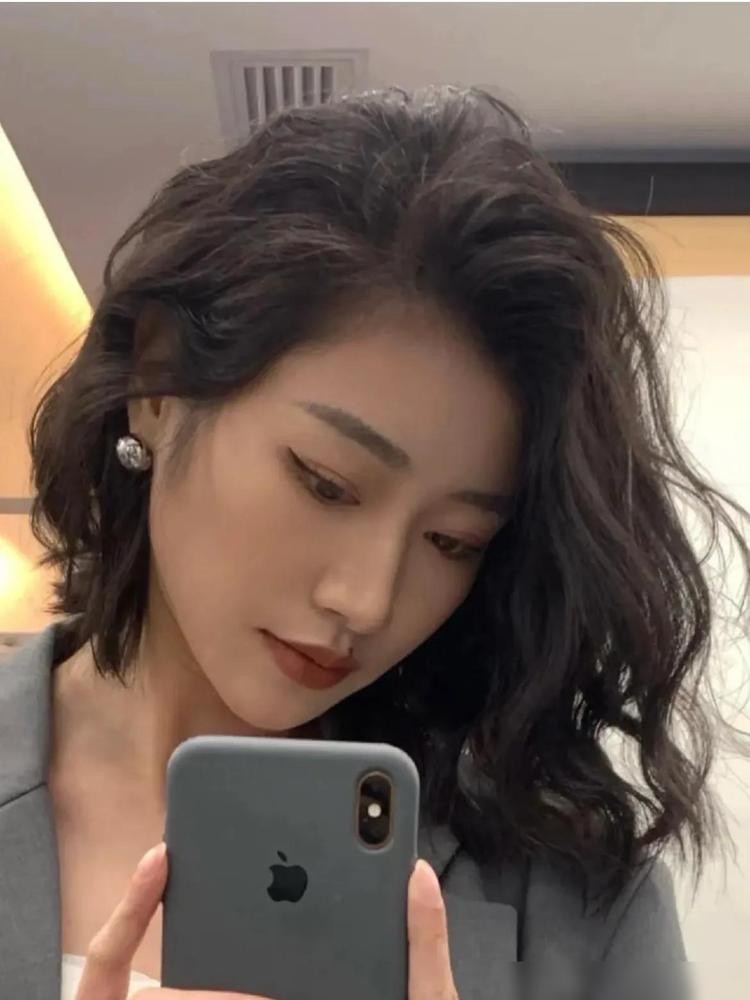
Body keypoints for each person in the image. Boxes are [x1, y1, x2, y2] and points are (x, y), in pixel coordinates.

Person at [1, 85, 748, 1000]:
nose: (367, 600)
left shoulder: (578, 901)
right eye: (325, 482)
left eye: (453, 540)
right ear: (157, 386)